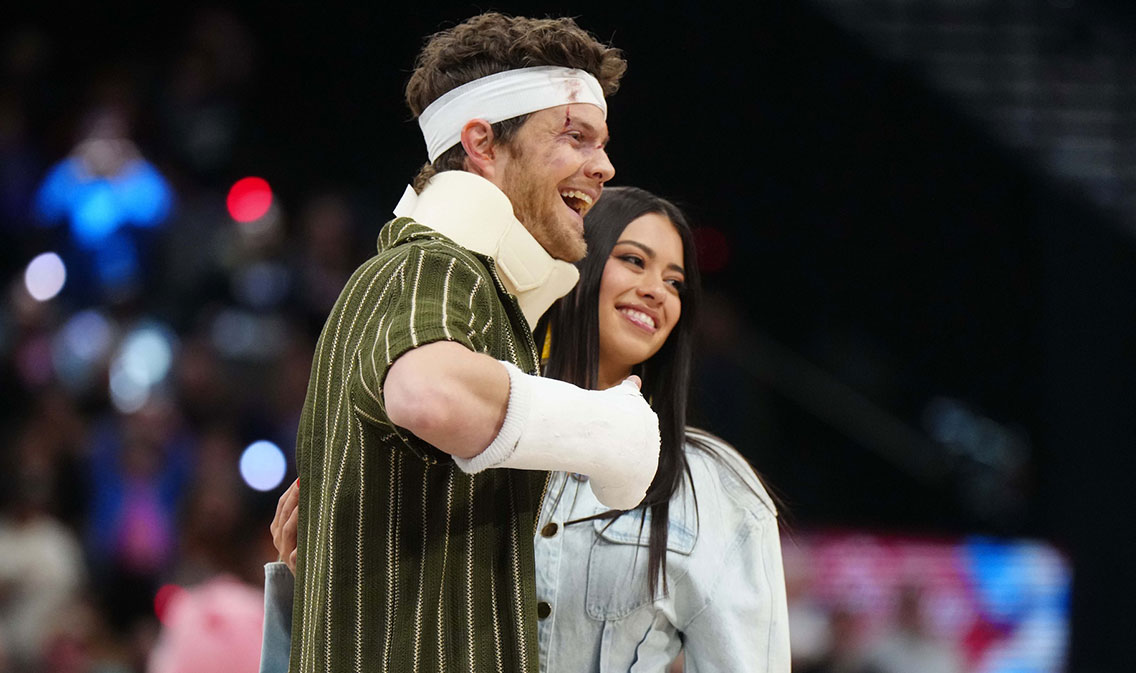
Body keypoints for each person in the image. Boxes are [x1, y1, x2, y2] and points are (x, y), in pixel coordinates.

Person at [265, 187, 791, 673]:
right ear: (572, 266)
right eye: (633, 260)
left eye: (675, 282)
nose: (657, 292)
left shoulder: (717, 491)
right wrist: (330, 570)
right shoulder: (459, 434)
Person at [288, 13, 662, 673]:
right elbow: (429, 393)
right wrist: (612, 427)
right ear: (483, 143)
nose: (604, 166)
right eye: (575, 136)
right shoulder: (431, 265)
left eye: (602, 143)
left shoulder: (457, 289)